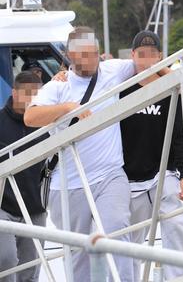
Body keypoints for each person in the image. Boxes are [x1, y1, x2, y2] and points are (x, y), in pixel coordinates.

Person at [24, 26, 147, 282]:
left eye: (95, 53)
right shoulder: (58, 87)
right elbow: (31, 116)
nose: (92, 60)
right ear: (70, 55)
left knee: (116, 231)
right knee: (78, 253)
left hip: (109, 174)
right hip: (68, 184)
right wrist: (68, 108)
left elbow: (146, 64)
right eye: (85, 55)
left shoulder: (112, 70)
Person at [119, 30, 183, 280]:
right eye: (141, 54)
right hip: (128, 179)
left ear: (160, 57)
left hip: (163, 172)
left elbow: (180, 134)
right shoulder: (121, 90)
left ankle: (177, 278)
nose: (146, 60)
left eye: (152, 55)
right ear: (133, 56)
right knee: (132, 243)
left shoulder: (171, 91)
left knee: (177, 224)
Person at [0, 72, 44, 282]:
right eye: (26, 94)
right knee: (5, 260)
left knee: (31, 270)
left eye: (36, 95)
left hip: (35, 207)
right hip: (3, 205)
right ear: (14, 93)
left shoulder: (46, 124)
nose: (30, 100)